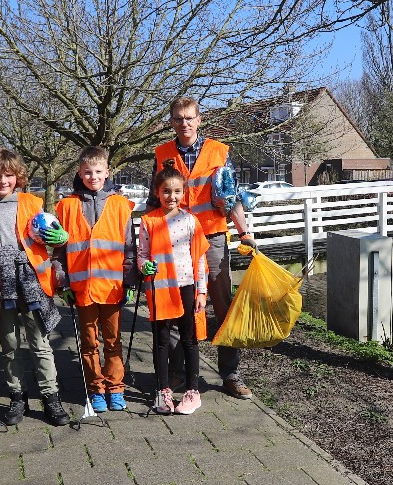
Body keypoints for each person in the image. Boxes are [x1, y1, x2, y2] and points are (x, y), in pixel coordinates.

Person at [152, 95, 256, 399]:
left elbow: (233, 195)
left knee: (223, 305)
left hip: (212, 238)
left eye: (189, 118)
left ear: (199, 120)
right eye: (178, 118)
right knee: (176, 305)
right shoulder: (162, 154)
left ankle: (230, 374)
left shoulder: (219, 152)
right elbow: (153, 199)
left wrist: (244, 232)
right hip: (175, 239)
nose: (184, 123)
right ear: (171, 122)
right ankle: (178, 372)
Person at [0, 147, 72, 427]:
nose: (3, 181)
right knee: (9, 345)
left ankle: (50, 396)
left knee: (40, 343)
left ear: (18, 177)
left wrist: (61, 237)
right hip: (0, 286)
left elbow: (51, 234)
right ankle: (17, 396)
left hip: (31, 282)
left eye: (9, 175)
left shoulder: (32, 203)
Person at [55, 146, 138, 413]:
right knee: (89, 342)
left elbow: (129, 248)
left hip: (112, 288)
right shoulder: (66, 206)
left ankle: (115, 387)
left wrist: (130, 281)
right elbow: (59, 251)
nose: (93, 177)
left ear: (107, 173)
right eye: (88, 172)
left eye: (98, 172)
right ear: (80, 173)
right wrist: (62, 282)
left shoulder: (120, 205)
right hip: (82, 289)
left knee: (113, 341)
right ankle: (95, 389)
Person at [137, 166, 208, 415]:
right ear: (157, 192)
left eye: (177, 191)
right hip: (159, 288)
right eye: (166, 191)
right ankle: (163, 390)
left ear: (183, 193)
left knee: (189, 339)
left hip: (187, 285)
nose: (172, 196)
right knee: (161, 340)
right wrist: (143, 266)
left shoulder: (190, 221)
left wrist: (202, 292)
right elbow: (142, 254)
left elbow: (199, 258)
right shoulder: (148, 221)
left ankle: (192, 391)